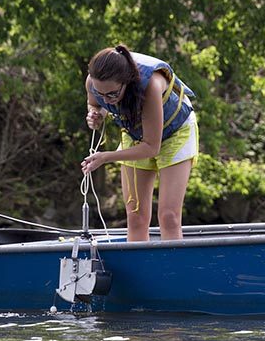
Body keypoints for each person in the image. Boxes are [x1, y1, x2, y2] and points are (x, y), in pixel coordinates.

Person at [81, 44, 198, 241]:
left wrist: (106, 157)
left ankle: (171, 269)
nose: (107, 100)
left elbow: (152, 147)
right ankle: (139, 269)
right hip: (135, 133)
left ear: (126, 82)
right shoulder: (95, 83)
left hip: (174, 133)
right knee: (136, 217)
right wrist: (96, 114)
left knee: (169, 217)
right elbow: (94, 104)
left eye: (112, 94)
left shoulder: (149, 85)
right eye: (101, 93)